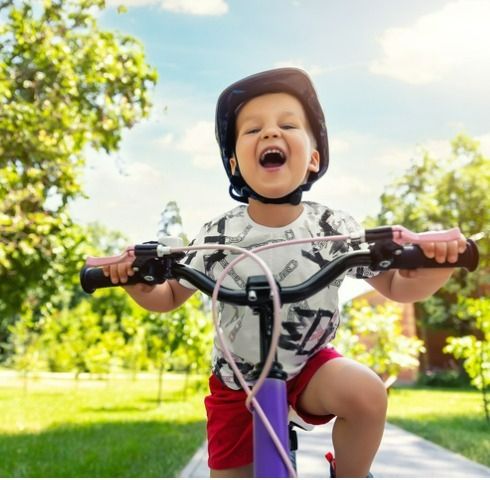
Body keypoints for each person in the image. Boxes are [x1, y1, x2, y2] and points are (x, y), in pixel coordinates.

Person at [103, 68, 467, 478]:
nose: (270, 134)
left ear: (313, 158)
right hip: (237, 382)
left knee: (365, 393)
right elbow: (168, 295)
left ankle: (351, 473)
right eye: (253, 129)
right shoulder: (218, 234)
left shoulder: (333, 227)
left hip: (311, 368)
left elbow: (398, 286)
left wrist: (439, 263)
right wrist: (136, 282)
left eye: (288, 125)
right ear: (234, 163)